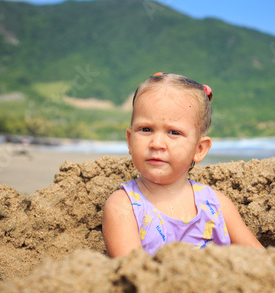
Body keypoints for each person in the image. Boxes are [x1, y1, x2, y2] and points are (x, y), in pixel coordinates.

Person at [103, 72, 264, 258]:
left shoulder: (216, 205)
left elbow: (262, 260)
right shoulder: (123, 206)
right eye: (146, 129)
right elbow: (133, 273)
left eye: (173, 132)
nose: (156, 143)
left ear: (199, 149)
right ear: (130, 140)